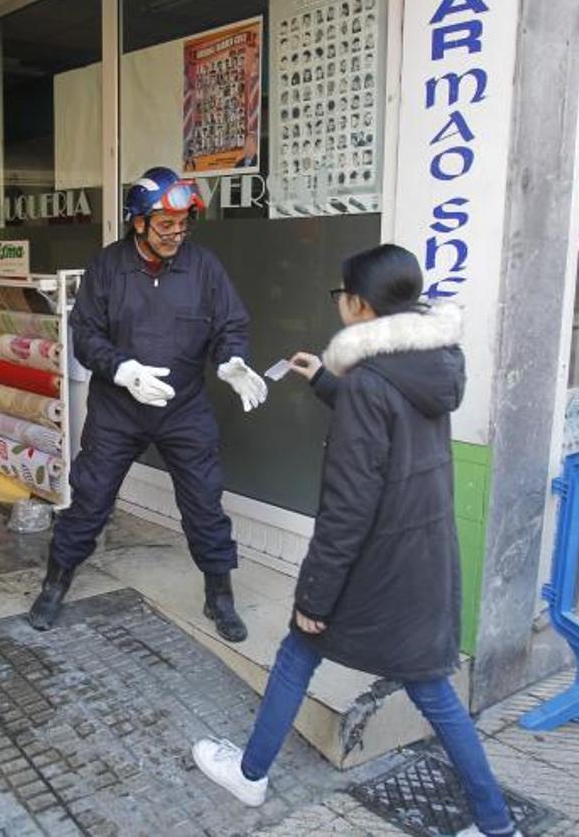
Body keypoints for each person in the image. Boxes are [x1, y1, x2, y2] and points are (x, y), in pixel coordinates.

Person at [190, 245, 519, 837]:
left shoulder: (369, 382)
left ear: (360, 305)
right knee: (431, 688)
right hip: (423, 557)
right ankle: (496, 823)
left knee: (299, 648)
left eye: (342, 294)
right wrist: (324, 380)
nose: (339, 302)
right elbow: (393, 423)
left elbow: (348, 505)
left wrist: (315, 594)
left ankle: (250, 774)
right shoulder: (430, 362)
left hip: (376, 562)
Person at [27, 166, 269, 643]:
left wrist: (232, 359)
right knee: (91, 497)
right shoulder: (106, 267)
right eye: (165, 225)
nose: (176, 234)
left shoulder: (204, 267)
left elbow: (230, 324)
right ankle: (55, 583)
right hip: (119, 409)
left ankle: (219, 595)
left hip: (184, 407)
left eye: (183, 224)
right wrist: (123, 370)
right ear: (138, 222)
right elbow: (85, 333)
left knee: (204, 502)